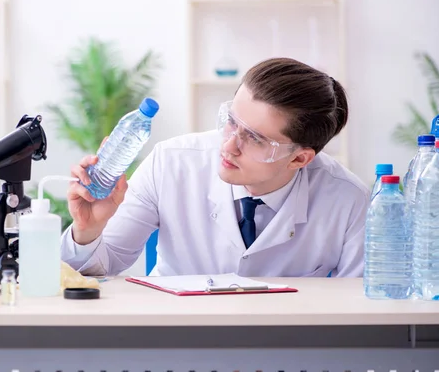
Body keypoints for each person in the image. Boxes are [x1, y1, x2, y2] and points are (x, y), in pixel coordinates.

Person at [60, 57, 369, 278]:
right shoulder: (170, 162)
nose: (230, 145)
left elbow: (363, 307)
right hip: (177, 340)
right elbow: (102, 266)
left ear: (300, 158)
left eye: (255, 138)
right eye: (231, 121)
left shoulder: (347, 199)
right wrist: (88, 231)